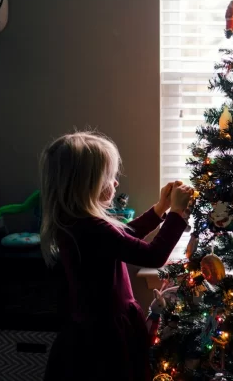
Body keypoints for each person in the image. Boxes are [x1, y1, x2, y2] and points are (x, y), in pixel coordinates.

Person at [39, 131, 194, 381]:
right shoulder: (94, 228)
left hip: (89, 330)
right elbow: (153, 256)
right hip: (105, 336)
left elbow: (123, 237)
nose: (116, 183)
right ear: (88, 184)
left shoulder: (76, 222)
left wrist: (160, 210)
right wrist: (176, 213)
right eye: (109, 177)